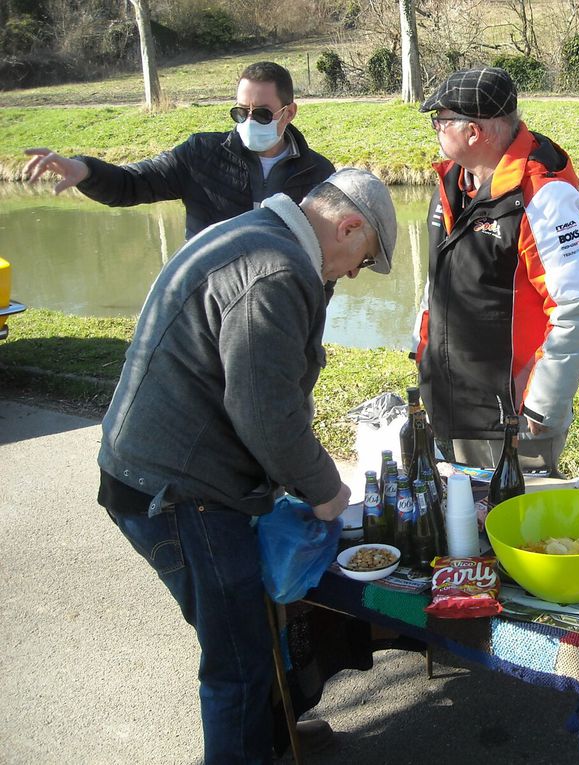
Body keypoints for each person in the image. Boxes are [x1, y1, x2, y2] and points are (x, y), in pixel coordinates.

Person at [96, 168, 397, 764]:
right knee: (238, 656)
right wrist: (325, 489)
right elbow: (265, 414)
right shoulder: (278, 270)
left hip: (164, 471)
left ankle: (269, 735)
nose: (354, 273)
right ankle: (246, 747)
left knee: (253, 628)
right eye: (362, 259)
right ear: (349, 225)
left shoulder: (262, 234)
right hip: (180, 490)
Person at [412, 66, 579, 475]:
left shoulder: (544, 198)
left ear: (474, 132)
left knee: (513, 532)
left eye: (440, 120)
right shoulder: (451, 183)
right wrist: (421, 346)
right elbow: (439, 280)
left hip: (511, 419)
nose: (435, 129)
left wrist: (542, 401)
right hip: (448, 400)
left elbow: (577, 311)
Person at [23, 61, 334, 240]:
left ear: (289, 113)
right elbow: (132, 184)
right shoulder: (200, 155)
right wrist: (86, 171)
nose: (250, 121)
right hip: (206, 310)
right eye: (241, 112)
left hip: (284, 315)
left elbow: (330, 255)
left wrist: (312, 307)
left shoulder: (319, 174)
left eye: (263, 113)